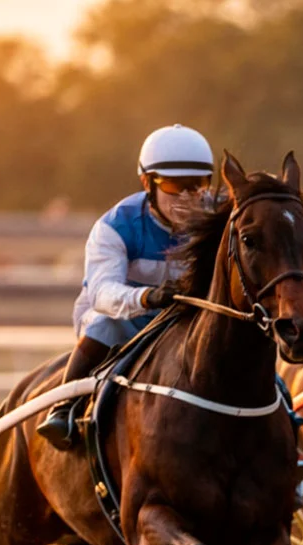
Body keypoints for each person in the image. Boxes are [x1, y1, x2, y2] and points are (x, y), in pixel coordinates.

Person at [37, 124, 215, 449]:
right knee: (105, 323)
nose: (189, 197)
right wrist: (148, 297)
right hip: (125, 319)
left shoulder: (219, 217)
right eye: (175, 185)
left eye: (199, 185)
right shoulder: (115, 227)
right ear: (148, 183)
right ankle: (63, 408)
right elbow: (103, 294)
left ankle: (286, 420)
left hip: (188, 320)